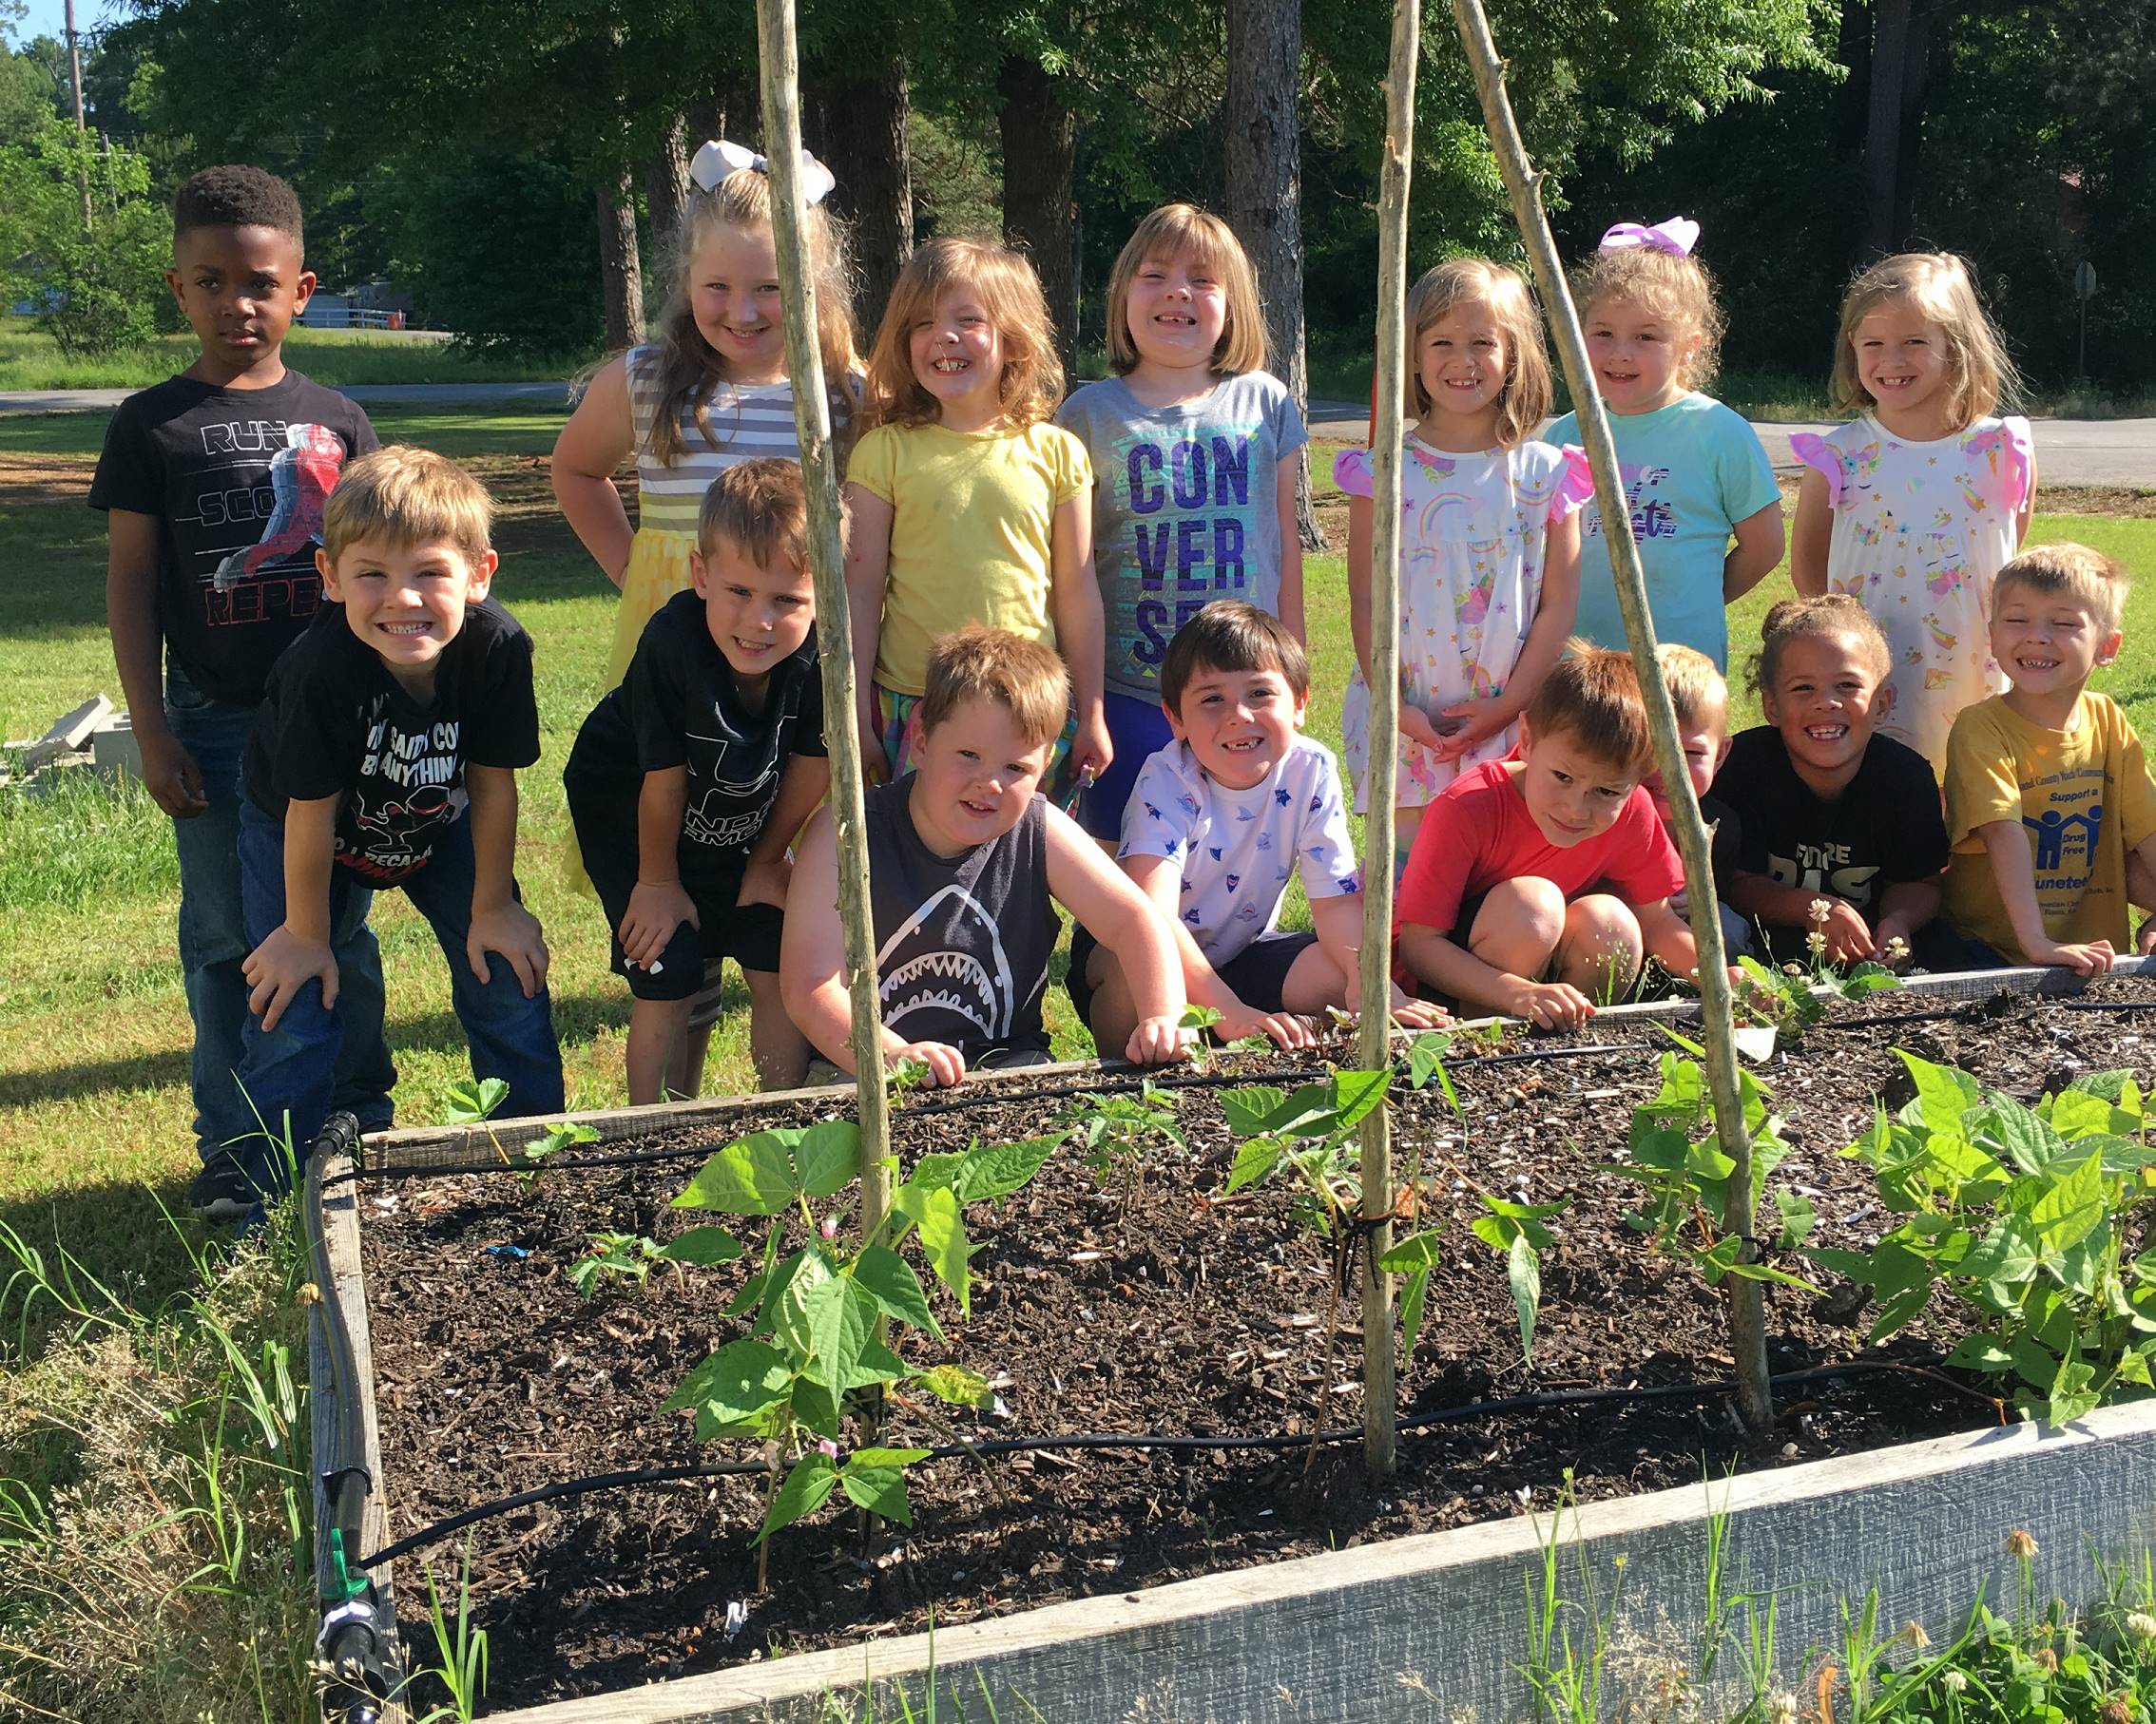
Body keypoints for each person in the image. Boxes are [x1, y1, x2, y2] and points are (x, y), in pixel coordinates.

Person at [87, 163, 392, 1220]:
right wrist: (153, 728)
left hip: (337, 727)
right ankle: (237, 1143)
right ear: (179, 288)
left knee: (336, 930)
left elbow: (388, 570)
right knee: (225, 936)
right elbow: (131, 584)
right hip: (215, 727)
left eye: (260, 283)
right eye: (211, 283)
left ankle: (355, 1119)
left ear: (301, 289)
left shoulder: (341, 420)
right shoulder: (149, 424)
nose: (238, 304)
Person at [235, 448, 562, 1203]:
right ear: (329, 576)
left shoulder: (497, 648)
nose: (402, 598)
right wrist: (306, 933)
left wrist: (493, 906)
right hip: (302, 833)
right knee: (293, 995)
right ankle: (277, 1205)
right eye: (372, 574)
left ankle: (533, 1171)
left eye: (430, 572)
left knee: (505, 968)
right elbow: (309, 811)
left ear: (479, 573)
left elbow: (493, 783)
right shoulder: (322, 669)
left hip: (437, 819)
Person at [781, 625, 1186, 1086]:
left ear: (1044, 765)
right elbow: (809, 987)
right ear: (921, 739)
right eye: (968, 755)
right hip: (860, 1070)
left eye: (1015, 767)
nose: (989, 783)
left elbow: (1136, 921)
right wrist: (891, 1057)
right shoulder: (846, 832)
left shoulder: (1039, 828)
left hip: (1010, 1065)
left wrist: (1165, 1017)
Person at [550, 141, 859, 693]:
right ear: (687, 278)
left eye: (769, 288)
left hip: (797, 659)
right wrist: (631, 568)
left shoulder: (845, 395)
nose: (742, 311)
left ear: (813, 285)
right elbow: (575, 470)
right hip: (670, 654)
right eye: (718, 286)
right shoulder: (644, 380)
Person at [1070, 603, 1445, 1053]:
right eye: (1212, 699)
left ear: (1300, 704)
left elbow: (1337, 902)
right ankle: (1133, 1071)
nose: (1239, 716)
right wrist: (1228, 1010)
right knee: (1137, 972)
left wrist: (1368, 984)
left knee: (1337, 974)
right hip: (1139, 953)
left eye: (1260, 694)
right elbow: (1153, 917)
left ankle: (1289, 1052)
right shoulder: (1167, 780)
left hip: (1242, 950)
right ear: (1176, 719)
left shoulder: (1311, 769)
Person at [566, 460, 828, 1102]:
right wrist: (657, 883)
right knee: (669, 965)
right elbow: (662, 779)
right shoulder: (672, 640)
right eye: (739, 591)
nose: (760, 621)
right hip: (628, 809)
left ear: (825, 592)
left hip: (732, 815)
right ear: (701, 575)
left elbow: (811, 766)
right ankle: (649, 1131)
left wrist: (766, 860)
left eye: (787, 600)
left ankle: (778, 1116)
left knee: (774, 950)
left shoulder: (825, 652)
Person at [1054, 205, 1309, 843]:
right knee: (1121, 861)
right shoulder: (1086, 415)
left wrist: (1292, 673)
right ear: (1123, 295)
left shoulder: (1266, 401)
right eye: (1155, 275)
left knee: (1239, 853)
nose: (1177, 292)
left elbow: (1284, 548)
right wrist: (1088, 703)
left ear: (1233, 303)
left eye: (1202, 279)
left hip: (1244, 691)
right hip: (1130, 692)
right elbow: (1073, 573)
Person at [1338, 258, 1591, 876]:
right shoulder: (1381, 472)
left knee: (1499, 868)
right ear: (1412, 355)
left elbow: (1558, 604)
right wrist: (1394, 707)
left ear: (1515, 354)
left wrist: (1510, 705)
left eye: (1483, 342)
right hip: (1407, 717)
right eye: (1442, 342)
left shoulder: (1545, 474)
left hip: (1511, 715)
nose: (1462, 360)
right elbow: (1365, 599)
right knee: (1407, 875)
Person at [842, 238, 1107, 790]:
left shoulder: (1058, 452)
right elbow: (860, 592)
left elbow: (1077, 591)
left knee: (1018, 841)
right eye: (922, 323)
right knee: (912, 840)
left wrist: (1093, 712)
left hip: (1028, 705)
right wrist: (854, 713)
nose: (944, 335)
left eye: (968, 320)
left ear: (1014, 340)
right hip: (916, 702)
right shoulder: (882, 452)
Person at [1790, 252, 2035, 771]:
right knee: (1884, 795)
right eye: (1873, 344)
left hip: (1972, 671)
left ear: (1957, 348)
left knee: (1969, 795)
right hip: (1867, 679)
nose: (1892, 360)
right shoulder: (1839, 455)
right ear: (1852, 347)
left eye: (1914, 342)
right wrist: (1838, 652)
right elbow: (1809, 567)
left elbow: (2009, 550)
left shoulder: (2001, 450)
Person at [1393, 646, 1710, 1029]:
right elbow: (1419, 947)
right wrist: (1518, 995)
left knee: (1611, 923)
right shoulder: (1466, 807)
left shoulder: (1633, 811)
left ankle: (1570, 1041)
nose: (1576, 809)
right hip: (1447, 993)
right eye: (1563, 777)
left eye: (1606, 791)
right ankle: (1487, 1046)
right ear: (1526, 739)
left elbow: (1657, 921)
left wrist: (1718, 978)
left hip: (1542, 983)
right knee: (1533, 907)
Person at [1547, 218, 1783, 673]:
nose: (1621, 353)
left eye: (1646, 337)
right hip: (1575, 669)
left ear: (1689, 345)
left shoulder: (1719, 432)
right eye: (1603, 333)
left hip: (1678, 668)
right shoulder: (1563, 436)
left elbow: (1766, 547)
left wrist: (1699, 597)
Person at [1941, 546, 2156, 974]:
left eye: (2063, 623)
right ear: (1993, 634)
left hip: (2093, 954)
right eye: (2017, 620)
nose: (2037, 636)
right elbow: (2002, 834)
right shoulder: (1980, 726)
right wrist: (2037, 943)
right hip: (1990, 951)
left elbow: (2148, 831)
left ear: (2107, 646)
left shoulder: (2108, 719)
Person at [1711, 598, 1951, 967]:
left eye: (1847, 685)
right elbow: (1736, 884)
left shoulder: (1907, 778)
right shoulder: (1742, 767)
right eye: (1803, 688)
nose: (1826, 702)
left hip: (1870, 950)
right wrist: (1813, 910)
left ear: (1882, 703)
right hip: (1767, 947)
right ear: (1772, 706)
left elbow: (1922, 883)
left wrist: (1898, 921)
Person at [1648, 643, 1745, 953]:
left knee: (1730, 930)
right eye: (1651, 748)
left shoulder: (1721, 828)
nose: (1668, 769)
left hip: (1681, 938)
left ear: (1721, 755)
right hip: (1617, 928)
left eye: (1691, 753)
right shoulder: (1601, 816)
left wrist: (1699, 898)